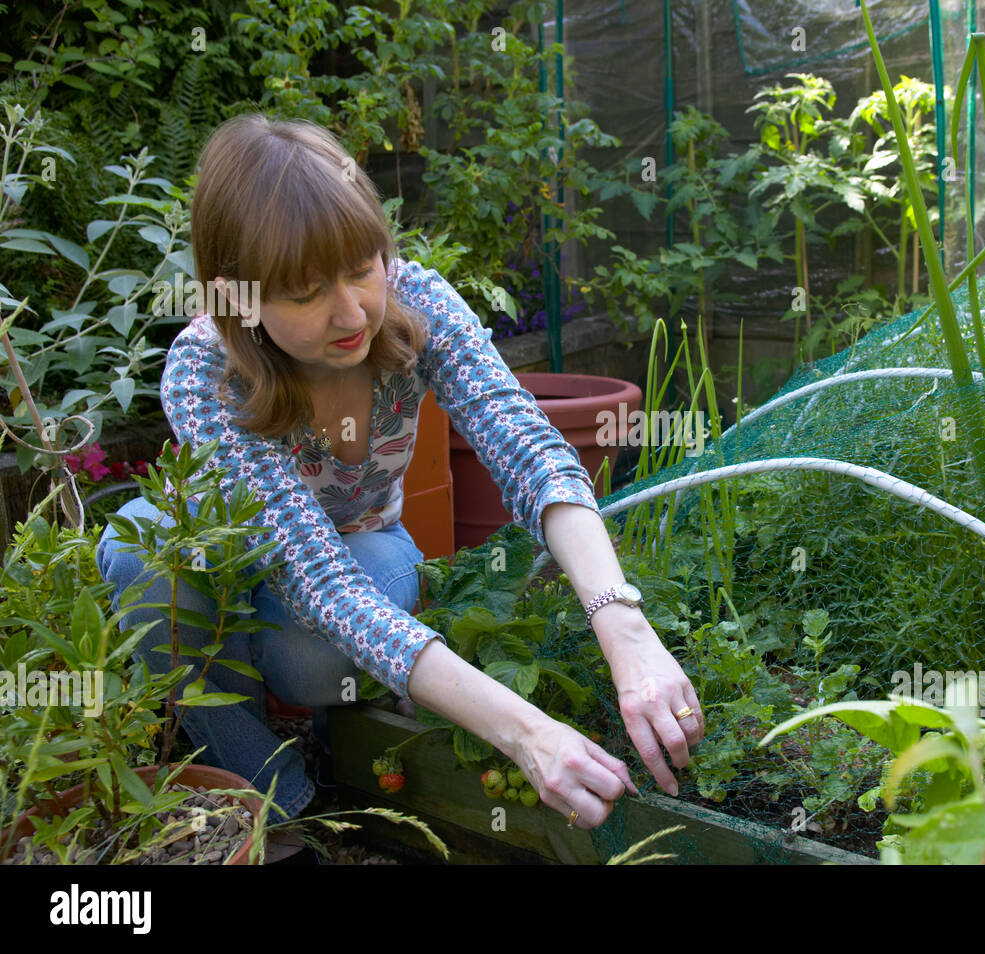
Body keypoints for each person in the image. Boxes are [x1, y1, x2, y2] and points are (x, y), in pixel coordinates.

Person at [95, 113, 705, 835]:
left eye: (361, 268)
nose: (351, 311)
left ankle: (290, 705)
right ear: (239, 295)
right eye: (304, 292)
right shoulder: (207, 372)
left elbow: (530, 450)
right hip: (219, 561)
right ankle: (268, 803)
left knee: (319, 657)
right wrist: (526, 733)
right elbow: (312, 577)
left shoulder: (419, 303)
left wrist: (624, 627)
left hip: (358, 545)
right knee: (145, 559)